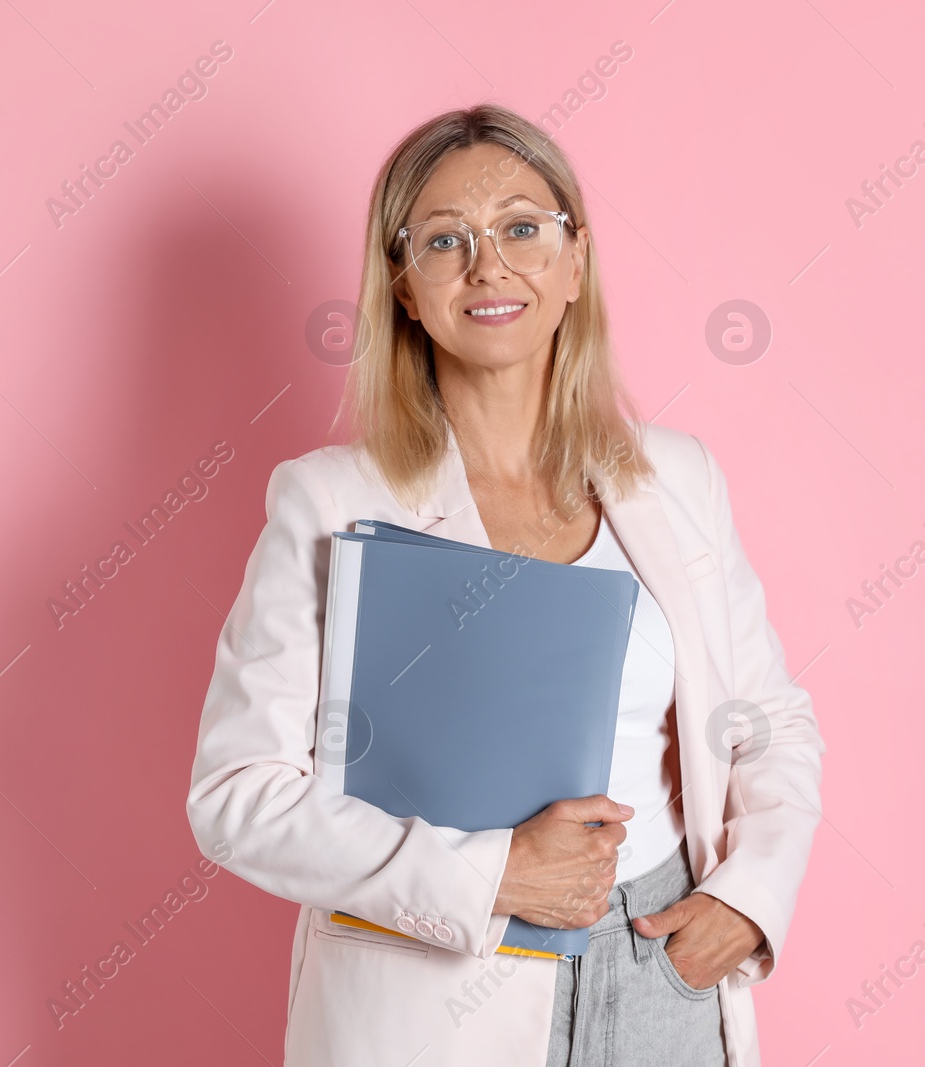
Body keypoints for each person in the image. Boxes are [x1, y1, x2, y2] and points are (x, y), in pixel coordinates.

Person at [185, 103, 826, 1067]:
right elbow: (237, 796)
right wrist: (489, 874)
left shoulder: (677, 479)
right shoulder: (327, 502)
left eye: (523, 228)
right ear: (403, 284)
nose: (490, 266)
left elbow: (766, 716)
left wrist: (750, 897)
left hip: (663, 963)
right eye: (446, 240)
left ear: (574, 264)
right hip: (437, 988)